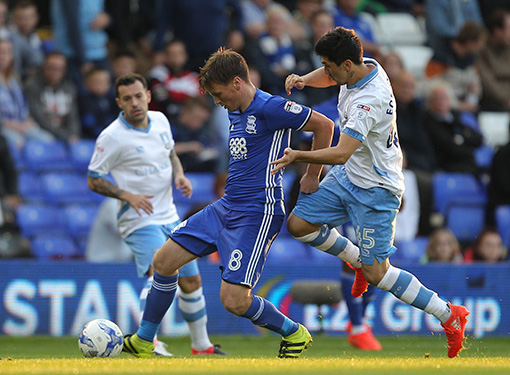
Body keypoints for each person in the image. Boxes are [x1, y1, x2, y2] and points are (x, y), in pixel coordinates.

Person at [120, 48, 334, 358]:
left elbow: (324, 126)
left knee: (234, 301)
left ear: (237, 83)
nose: (217, 102)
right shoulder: (234, 108)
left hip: (257, 212)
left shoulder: (271, 107)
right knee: (163, 262)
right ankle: (143, 340)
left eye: (219, 94)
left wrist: (312, 175)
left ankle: (294, 333)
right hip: (226, 206)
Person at [272, 27, 470, 358]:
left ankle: (448, 314)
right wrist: (306, 79)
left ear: (348, 65)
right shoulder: (367, 65)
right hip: (349, 177)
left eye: (330, 66)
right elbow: (329, 74)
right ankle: (356, 261)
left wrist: (299, 156)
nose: (327, 72)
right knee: (298, 225)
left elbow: (340, 153)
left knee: (379, 273)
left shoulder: (370, 99)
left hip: (376, 189)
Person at [87, 73, 224, 356]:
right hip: (137, 219)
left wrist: (180, 174)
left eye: (139, 96)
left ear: (148, 96)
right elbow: (94, 178)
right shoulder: (112, 136)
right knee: (159, 273)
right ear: (119, 102)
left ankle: (201, 346)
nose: (135, 103)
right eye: (127, 99)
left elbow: (170, 152)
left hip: (169, 214)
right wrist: (127, 195)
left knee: (191, 280)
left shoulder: (160, 120)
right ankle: (149, 341)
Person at [24, 51, 81, 143]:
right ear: (44, 68)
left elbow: (73, 117)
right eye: (51, 68)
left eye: (59, 69)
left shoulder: (69, 88)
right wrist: (63, 136)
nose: (55, 72)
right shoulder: (32, 86)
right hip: (42, 132)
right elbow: (38, 117)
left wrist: (73, 135)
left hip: (65, 134)